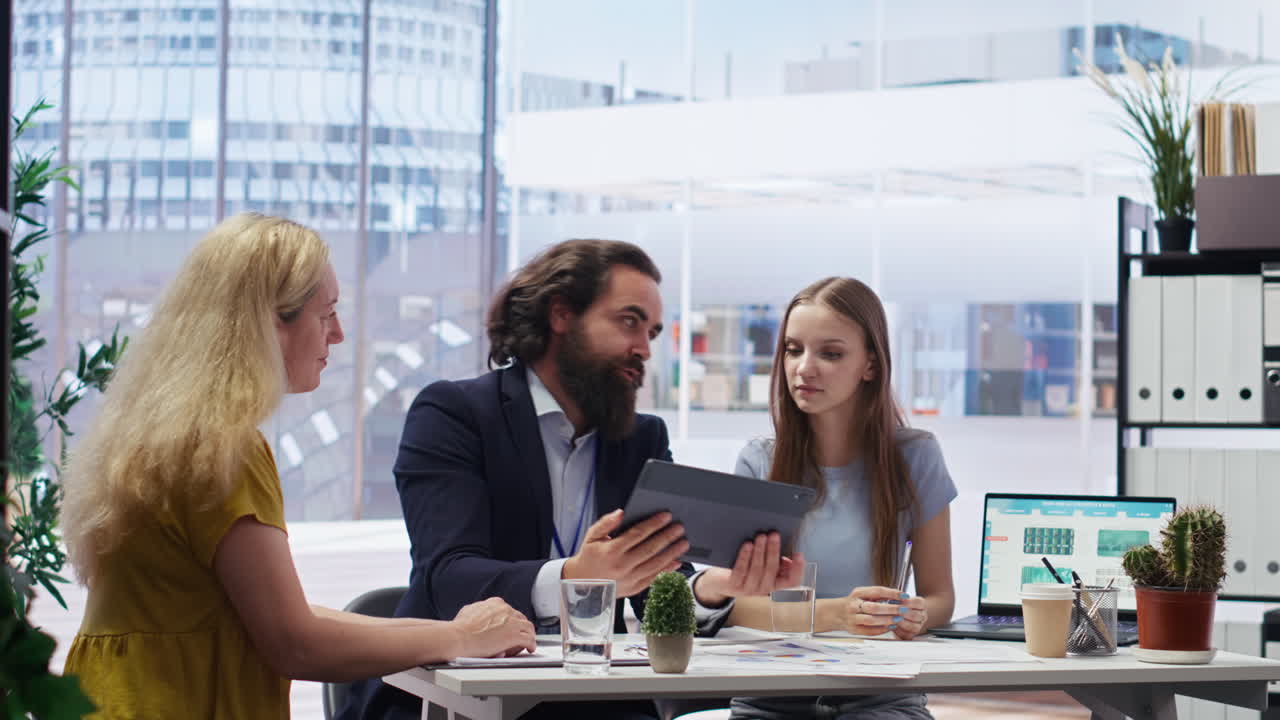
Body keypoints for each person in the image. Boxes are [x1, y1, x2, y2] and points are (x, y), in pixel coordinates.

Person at [60, 214, 535, 720]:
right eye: (326, 314)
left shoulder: (155, 430)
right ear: (269, 324)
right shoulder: (225, 449)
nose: (339, 334)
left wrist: (454, 633)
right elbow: (294, 643)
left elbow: (272, 615)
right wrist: (459, 638)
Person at [343, 239, 800, 720]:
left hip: (595, 700)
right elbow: (448, 578)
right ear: (561, 315)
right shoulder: (454, 414)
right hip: (455, 696)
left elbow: (655, 591)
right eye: (629, 322)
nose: (644, 349)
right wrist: (577, 577)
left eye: (651, 332)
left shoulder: (641, 438)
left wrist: (718, 585)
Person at [726, 277, 957, 720]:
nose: (804, 368)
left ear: (870, 365)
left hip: (880, 697)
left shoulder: (916, 456)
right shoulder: (759, 461)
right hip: (770, 698)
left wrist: (917, 614)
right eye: (793, 350)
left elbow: (940, 596)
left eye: (830, 354)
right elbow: (736, 606)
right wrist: (837, 614)